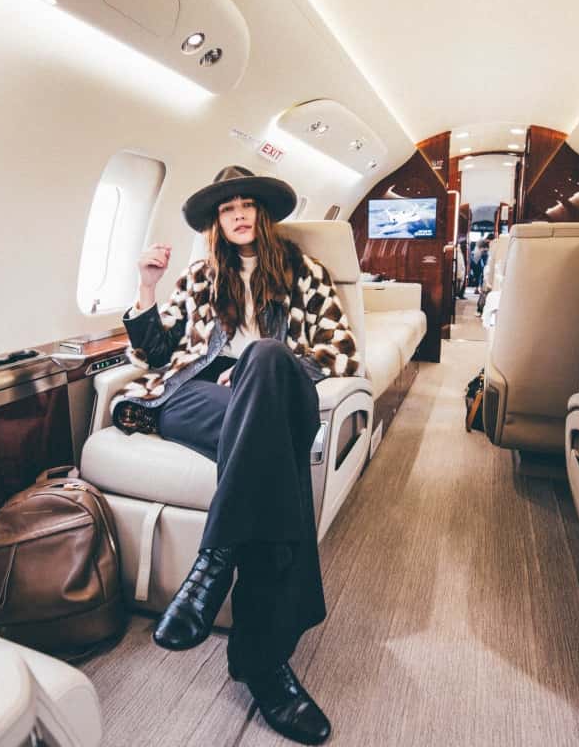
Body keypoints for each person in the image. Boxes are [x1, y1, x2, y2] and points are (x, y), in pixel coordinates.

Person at [111, 165, 361, 746]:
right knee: (274, 457)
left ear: (262, 213)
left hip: (271, 391)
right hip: (196, 396)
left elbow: (340, 352)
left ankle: (215, 560)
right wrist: (147, 286)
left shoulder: (303, 270)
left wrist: (255, 375)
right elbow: (155, 353)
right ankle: (264, 665)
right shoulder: (200, 276)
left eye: (247, 204)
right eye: (228, 208)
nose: (239, 214)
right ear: (217, 222)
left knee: (266, 358)